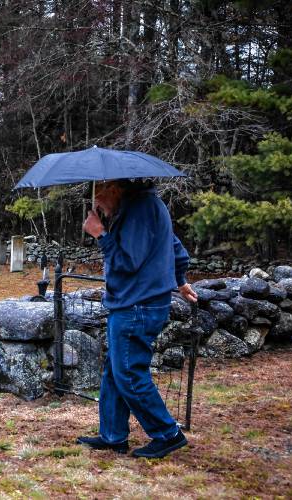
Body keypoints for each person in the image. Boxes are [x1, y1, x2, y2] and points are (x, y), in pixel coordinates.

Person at [77, 179, 198, 459]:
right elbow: (177, 249)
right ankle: (113, 435)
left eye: (100, 195)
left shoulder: (139, 209)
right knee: (115, 370)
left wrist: (101, 235)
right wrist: (180, 281)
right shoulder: (148, 207)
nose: (97, 203)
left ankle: (167, 433)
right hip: (135, 302)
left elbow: (126, 263)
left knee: (130, 373)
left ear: (115, 189)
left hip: (137, 305)